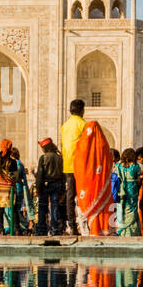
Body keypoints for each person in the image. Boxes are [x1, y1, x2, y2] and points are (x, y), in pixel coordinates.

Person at [73, 121, 115, 235]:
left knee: (92, 203)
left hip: (87, 184)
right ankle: (104, 228)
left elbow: (77, 163)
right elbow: (109, 161)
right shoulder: (104, 145)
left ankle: (94, 229)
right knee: (102, 204)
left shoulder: (81, 145)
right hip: (101, 183)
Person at [60, 98, 87, 235]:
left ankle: (72, 226)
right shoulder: (83, 124)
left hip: (67, 165)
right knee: (84, 195)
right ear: (82, 110)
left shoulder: (64, 126)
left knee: (70, 197)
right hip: (80, 165)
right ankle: (85, 224)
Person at [35, 137, 64, 236]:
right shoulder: (59, 158)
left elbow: (39, 175)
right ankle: (55, 229)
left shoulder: (43, 158)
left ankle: (41, 230)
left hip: (45, 185)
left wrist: (38, 189)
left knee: (42, 207)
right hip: (57, 184)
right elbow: (63, 175)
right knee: (54, 207)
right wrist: (62, 190)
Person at [0, 139, 19, 234]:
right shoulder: (12, 162)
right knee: (13, 208)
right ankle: (17, 229)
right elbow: (15, 177)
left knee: (0, 209)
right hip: (9, 188)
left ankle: (1, 229)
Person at [115, 148, 141, 236]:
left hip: (120, 191)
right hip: (132, 191)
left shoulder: (118, 166)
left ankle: (122, 231)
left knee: (121, 210)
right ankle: (131, 232)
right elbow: (139, 180)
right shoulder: (135, 167)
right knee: (132, 211)